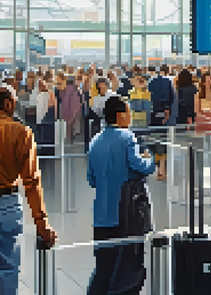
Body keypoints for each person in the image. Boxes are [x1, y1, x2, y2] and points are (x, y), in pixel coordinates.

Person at [87, 96, 156, 295]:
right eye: (128, 111)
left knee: (103, 269)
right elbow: (139, 165)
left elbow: (91, 179)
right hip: (125, 213)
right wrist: (149, 159)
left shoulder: (95, 141)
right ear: (120, 115)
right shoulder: (127, 137)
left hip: (101, 215)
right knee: (127, 268)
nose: (131, 116)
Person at [0, 83, 57, 294]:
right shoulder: (21, 132)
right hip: (8, 204)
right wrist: (42, 223)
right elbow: (32, 182)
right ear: (7, 104)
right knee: (8, 267)